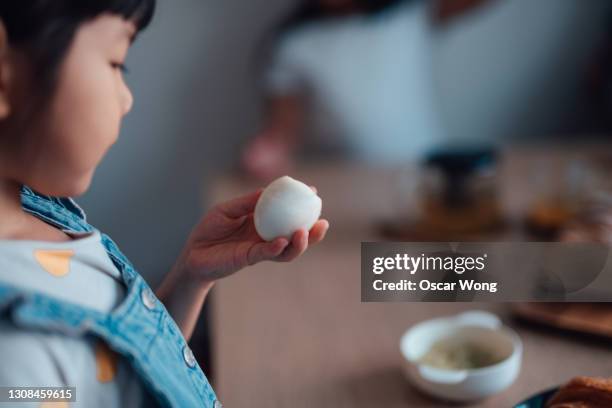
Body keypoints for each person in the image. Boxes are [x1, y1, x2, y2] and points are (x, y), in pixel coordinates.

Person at [0, 1, 329, 407]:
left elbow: (115, 385)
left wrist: (191, 276)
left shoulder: (40, 213)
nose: (127, 100)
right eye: (116, 62)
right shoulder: (15, 361)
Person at [243, 0, 490, 180]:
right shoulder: (293, 43)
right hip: (344, 184)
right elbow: (284, 129)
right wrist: (270, 152)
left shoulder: (409, 13)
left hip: (427, 173)